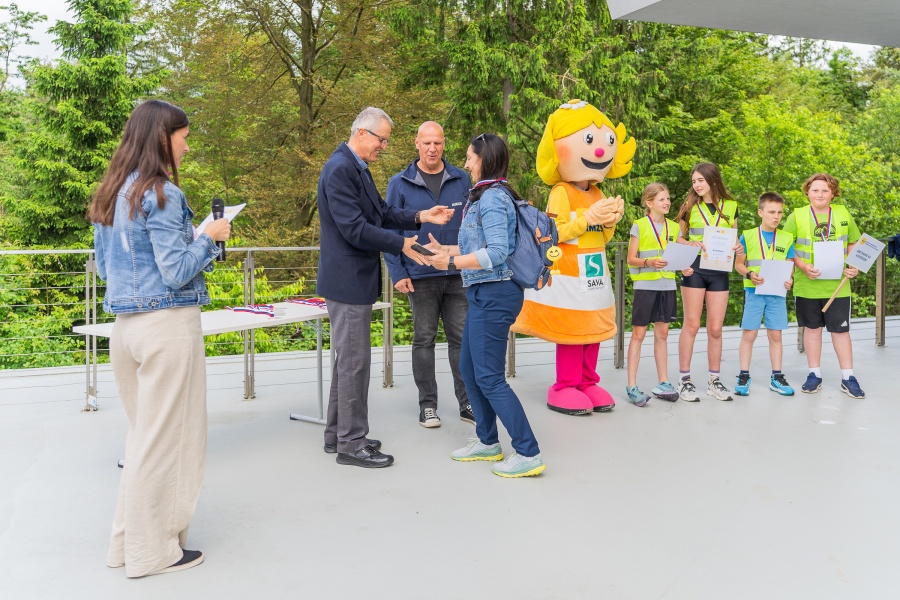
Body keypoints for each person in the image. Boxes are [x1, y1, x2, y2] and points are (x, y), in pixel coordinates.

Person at [89, 100, 232, 577]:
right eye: (183, 137)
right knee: (170, 443)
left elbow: (107, 269)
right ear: (162, 137)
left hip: (126, 330)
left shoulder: (112, 193)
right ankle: (154, 554)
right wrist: (210, 236)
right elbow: (175, 272)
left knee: (143, 441)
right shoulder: (163, 193)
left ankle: (125, 546)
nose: (187, 146)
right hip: (167, 328)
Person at [316, 107, 454, 469]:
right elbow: (355, 229)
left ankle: (337, 434)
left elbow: (381, 214)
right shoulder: (340, 169)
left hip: (354, 281)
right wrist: (402, 244)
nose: (384, 146)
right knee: (355, 365)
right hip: (347, 282)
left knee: (348, 362)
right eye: (382, 139)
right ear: (362, 133)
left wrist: (421, 216)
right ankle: (352, 444)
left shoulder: (356, 168)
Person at [426, 133, 545, 478]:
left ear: (485, 159)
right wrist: (446, 252)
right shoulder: (484, 196)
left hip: (496, 293)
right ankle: (488, 441)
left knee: (490, 377)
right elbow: (479, 248)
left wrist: (450, 264)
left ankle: (528, 452)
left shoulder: (492, 197)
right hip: (484, 292)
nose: (465, 163)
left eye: (470, 157)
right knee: (468, 368)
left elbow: (496, 252)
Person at [511, 100, 635, 415]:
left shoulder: (598, 193)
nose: (599, 151)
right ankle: (564, 385)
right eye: (589, 141)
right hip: (568, 274)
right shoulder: (561, 192)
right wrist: (587, 218)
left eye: (606, 142)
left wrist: (610, 221)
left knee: (592, 328)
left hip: (595, 272)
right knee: (571, 331)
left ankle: (588, 382)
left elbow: (602, 238)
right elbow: (554, 231)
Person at [384, 121, 474, 428]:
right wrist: (397, 272)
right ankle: (428, 406)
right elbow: (390, 231)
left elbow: (472, 225)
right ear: (417, 143)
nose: (432, 149)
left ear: (444, 144)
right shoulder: (399, 183)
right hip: (419, 274)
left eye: (437, 143)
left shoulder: (462, 179)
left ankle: (467, 403)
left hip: (457, 271)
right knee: (424, 339)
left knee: (461, 339)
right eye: (427, 143)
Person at [782, 173, 865, 398]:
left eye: (825, 190)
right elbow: (786, 247)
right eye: (815, 190)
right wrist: (802, 266)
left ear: (833, 194)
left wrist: (854, 265)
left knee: (841, 331)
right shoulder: (796, 216)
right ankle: (814, 374)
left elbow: (854, 242)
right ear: (807, 192)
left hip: (838, 286)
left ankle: (848, 377)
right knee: (812, 329)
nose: (820, 194)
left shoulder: (843, 213)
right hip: (807, 285)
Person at [674, 162, 743, 402]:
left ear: (713, 180)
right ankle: (684, 380)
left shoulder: (731, 206)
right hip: (694, 270)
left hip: (719, 271)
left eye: (700, 180)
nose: (696, 185)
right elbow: (676, 238)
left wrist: (738, 247)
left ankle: (714, 381)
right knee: (692, 325)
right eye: (694, 181)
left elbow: (734, 238)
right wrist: (689, 243)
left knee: (715, 328)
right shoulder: (689, 206)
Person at [624, 183, 691, 406]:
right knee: (639, 334)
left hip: (667, 286)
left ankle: (663, 382)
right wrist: (649, 262)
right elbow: (631, 259)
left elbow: (678, 255)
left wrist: (683, 267)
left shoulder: (675, 227)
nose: (667, 202)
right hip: (645, 286)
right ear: (649, 203)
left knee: (662, 335)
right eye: (662, 199)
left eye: (668, 199)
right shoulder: (639, 225)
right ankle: (632, 386)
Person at [733, 192, 796, 396]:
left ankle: (777, 377)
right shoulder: (748, 235)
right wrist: (750, 274)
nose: (776, 216)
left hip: (777, 293)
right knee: (749, 334)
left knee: (775, 335)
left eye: (779, 212)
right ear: (760, 212)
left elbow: (790, 266)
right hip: (754, 292)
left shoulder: (787, 237)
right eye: (771, 212)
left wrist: (790, 279)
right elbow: (739, 265)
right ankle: (744, 375)